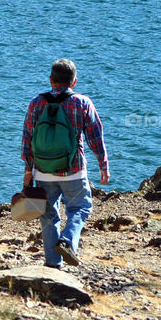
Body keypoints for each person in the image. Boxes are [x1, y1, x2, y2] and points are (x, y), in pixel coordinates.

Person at [21, 59, 109, 268]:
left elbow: (27, 138)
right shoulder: (82, 102)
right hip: (74, 170)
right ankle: (68, 240)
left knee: (48, 214)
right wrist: (103, 164)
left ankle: (53, 263)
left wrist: (28, 170)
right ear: (74, 82)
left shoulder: (36, 103)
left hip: (43, 170)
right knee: (80, 207)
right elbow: (95, 136)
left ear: (50, 80)